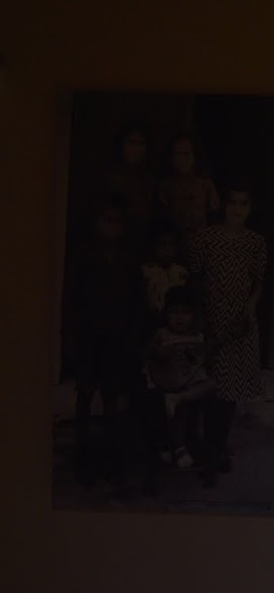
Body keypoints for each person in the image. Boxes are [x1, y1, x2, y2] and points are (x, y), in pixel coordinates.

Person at [65, 192, 145, 485]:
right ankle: (83, 454)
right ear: (96, 223)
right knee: (85, 396)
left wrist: (132, 337)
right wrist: (72, 339)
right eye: (107, 220)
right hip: (88, 338)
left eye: (118, 221)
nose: (113, 226)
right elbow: (72, 300)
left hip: (117, 340)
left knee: (112, 398)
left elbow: (137, 301)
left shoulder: (129, 259)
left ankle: (111, 455)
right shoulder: (83, 256)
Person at [190, 183, 266, 482]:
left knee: (230, 390)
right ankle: (205, 448)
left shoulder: (255, 243)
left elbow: (257, 284)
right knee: (209, 387)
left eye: (243, 203)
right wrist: (201, 321)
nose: (237, 209)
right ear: (224, 204)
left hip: (240, 322)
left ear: (250, 208)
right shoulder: (206, 238)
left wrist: (247, 313)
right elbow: (195, 279)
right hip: (211, 318)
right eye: (233, 202)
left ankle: (218, 446)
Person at [143, 286, 211, 469]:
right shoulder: (162, 334)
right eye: (174, 312)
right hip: (165, 379)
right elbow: (148, 354)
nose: (180, 318)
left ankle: (178, 440)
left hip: (187, 380)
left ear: (193, 316)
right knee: (169, 409)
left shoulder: (196, 336)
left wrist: (194, 358)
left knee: (209, 385)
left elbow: (199, 360)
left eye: (185, 313)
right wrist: (159, 352)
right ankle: (174, 445)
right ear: (166, 313)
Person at [158, 135, 218, 244]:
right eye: (178, 154)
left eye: (186, 154)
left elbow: (214, 217)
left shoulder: (206, 185)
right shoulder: (166, 187)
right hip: (175, 243)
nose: (182, 159)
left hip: (202, 242)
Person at [140, 230, 189, 321]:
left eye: (171, 245)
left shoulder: (182, 272)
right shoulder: (145, 272)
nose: (167, 250)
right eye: (162, 245)